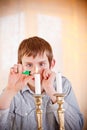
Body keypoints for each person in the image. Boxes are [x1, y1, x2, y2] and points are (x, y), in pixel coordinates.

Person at [0, 36, 84, 130]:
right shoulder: (11, 91)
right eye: (29, 65)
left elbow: (77, 127)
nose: (36, 71)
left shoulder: (63, 85)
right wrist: (10, 90)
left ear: (51, 64)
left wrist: (51, 91)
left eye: (41, 64)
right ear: (21, 66)